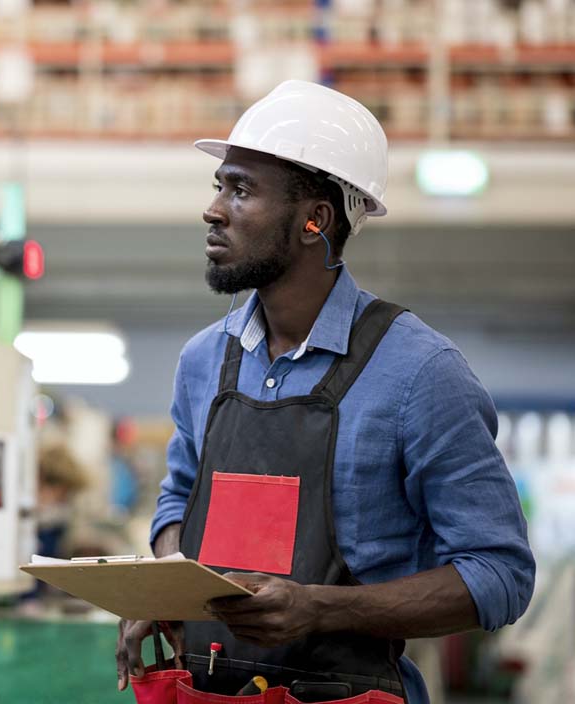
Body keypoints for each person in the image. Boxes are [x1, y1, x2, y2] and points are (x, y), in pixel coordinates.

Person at [114, 81, 535, 703]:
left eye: (242, 190)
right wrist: (166, 588)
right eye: (219, 185)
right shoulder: (204, 361)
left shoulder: (421, 373)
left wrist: (322, 608)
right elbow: (178, 497)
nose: (214, 209)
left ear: (316, 220)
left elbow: (501, 575)